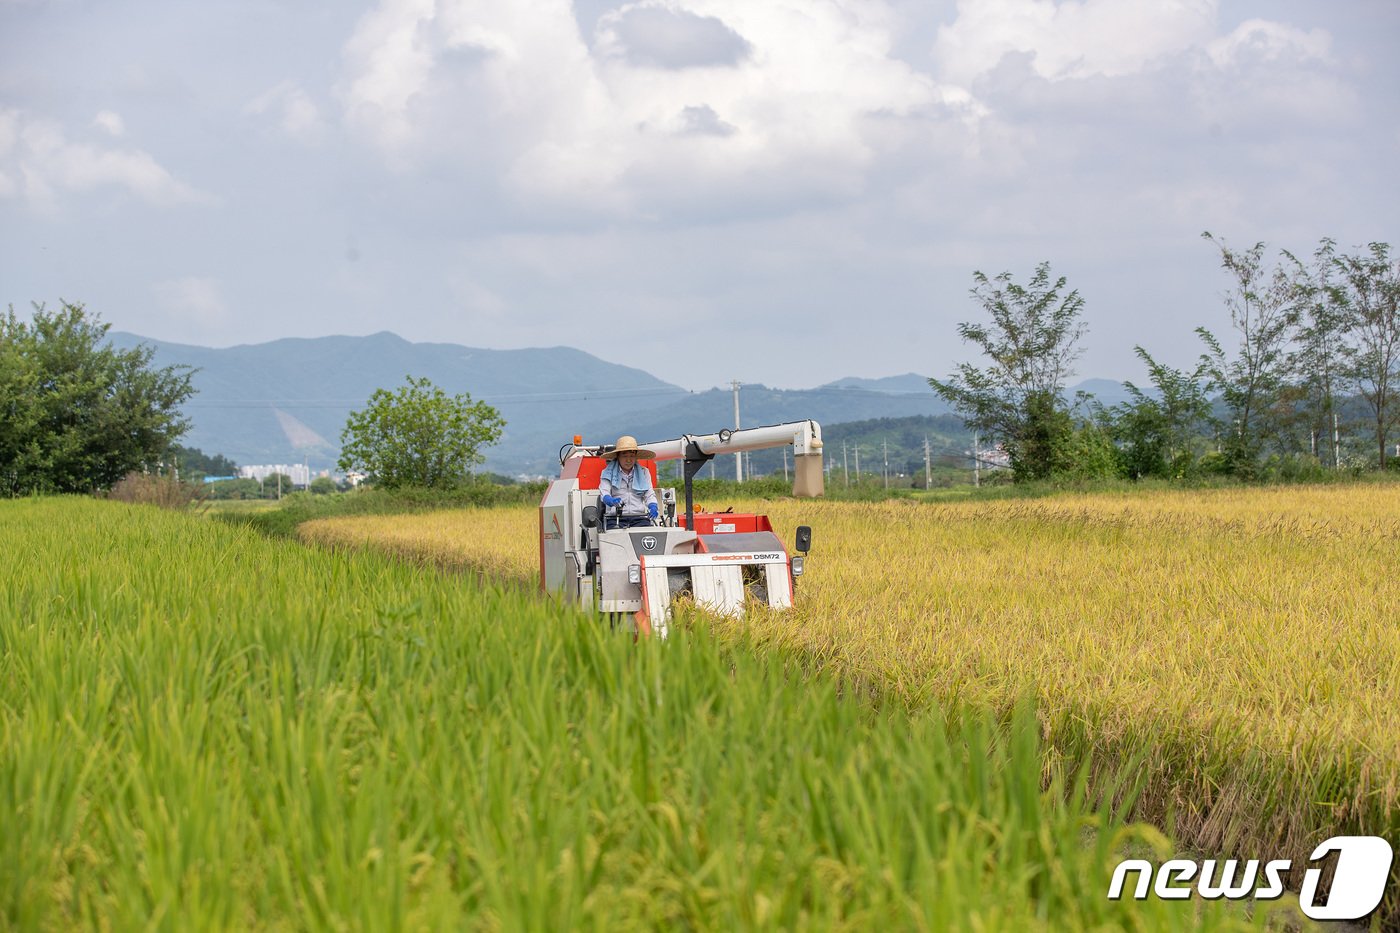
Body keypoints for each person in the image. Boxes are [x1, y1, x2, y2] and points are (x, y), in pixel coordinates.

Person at [598, 435, 659, 529]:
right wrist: (611, 501)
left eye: (632, 456)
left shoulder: (644, 472)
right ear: (618, 457)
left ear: (636, 457)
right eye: (625, 456)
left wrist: (653, 506)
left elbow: (649, 494)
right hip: (615, 518)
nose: (629, 460)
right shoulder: (607, 473)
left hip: (639, 517)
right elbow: (604, 493)